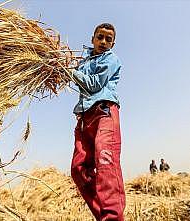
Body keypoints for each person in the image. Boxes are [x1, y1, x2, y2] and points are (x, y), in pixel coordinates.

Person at [70, 23, 125, 221]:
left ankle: (113, 217)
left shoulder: (111, 59)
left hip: (104, 113)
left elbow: (94, 85)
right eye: (100, 37)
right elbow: (74, 75)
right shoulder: (83, 61)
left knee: (105, 162)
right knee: (78, 170)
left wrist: (70, 72)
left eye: (108, 39)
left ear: (113, 44)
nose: (103, 42)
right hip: (85, 117)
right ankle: (103, 216)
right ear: (92, 38)